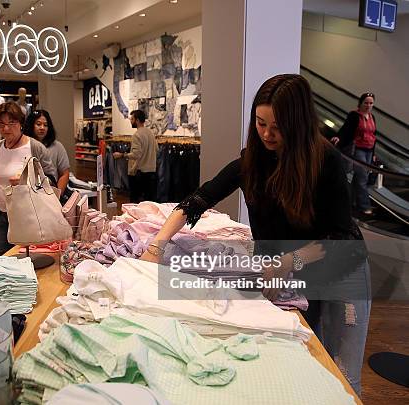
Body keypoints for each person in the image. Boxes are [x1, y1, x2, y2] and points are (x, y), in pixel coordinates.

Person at [140, 74, 370, 396]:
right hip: (295, 273)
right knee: (308, 355)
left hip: (341, 269)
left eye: (277, 127)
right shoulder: (253, 161)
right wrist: (156, 245)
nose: (267, 134)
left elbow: (341, 237)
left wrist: (289, 261)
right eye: (260, 123)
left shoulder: (324, 162)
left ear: (299, 123)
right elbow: (201, 197)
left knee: (342, 374)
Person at [0, 102, 56, 257]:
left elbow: (51, 180)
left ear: (21, 123)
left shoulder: (35, 147)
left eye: (11, 123)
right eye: (1, 124)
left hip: (28, 216)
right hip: (1, 214)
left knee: (26, 260)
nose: (6, 129)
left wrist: (27, 180)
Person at [333, 93, 377, 215]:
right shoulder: (354, 115)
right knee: (362, 177)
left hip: (369, 150)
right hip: (358, 149)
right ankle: (365, 206)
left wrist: (373, 153)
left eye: (371, 103)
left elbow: (374, 136)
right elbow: (346, 128)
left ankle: (350, 203)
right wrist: (339, 137)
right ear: (361, 103)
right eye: (366, 102)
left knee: (358, 178)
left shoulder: (372, 117)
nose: (368, 105)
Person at [113, 110, 157, 203]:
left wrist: (121, 155)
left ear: (137, 120)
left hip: (139, 172)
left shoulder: (137, 135)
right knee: (148, 201)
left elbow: (136, 154)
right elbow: (156, 149)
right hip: (151, 171)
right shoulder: (151, 133)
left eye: (132, 119)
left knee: (135, 200)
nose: (130, 121)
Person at [24, 110, 70, 199]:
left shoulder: (57, 146)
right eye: (38, 124)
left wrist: (57, 196)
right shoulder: (24, 146)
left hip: (51, 193)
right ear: (31, 125)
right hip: (28, 196)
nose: (42, 128)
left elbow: (65, 174)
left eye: (45, 125)